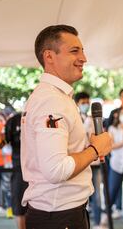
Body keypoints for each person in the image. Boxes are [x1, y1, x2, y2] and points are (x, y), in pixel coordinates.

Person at [21, 24, 112, 229]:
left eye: (82, 50)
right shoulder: (51, 100)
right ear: (49, 56)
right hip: (58, 215)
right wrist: (96, 149)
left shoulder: (55, 96)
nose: (83, 58)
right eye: (74, 51)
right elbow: (56, 169)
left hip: (61, 213)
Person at [74, 91, 105, 229]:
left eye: (87, 102)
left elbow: (99, 137)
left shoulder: (93, 120)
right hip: (80, 163)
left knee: (97, 194)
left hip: (95, 163)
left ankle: (98, 223)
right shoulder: (74, 119)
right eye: (83, 103)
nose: (86, 105)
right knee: (81, 195)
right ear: (77, 104)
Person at [5, 112, 28, 229]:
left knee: (38, 206)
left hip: (37, 169)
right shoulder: (13, 121)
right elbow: (2, 142)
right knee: (20, 207)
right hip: (19, 169)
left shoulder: (42, 117)